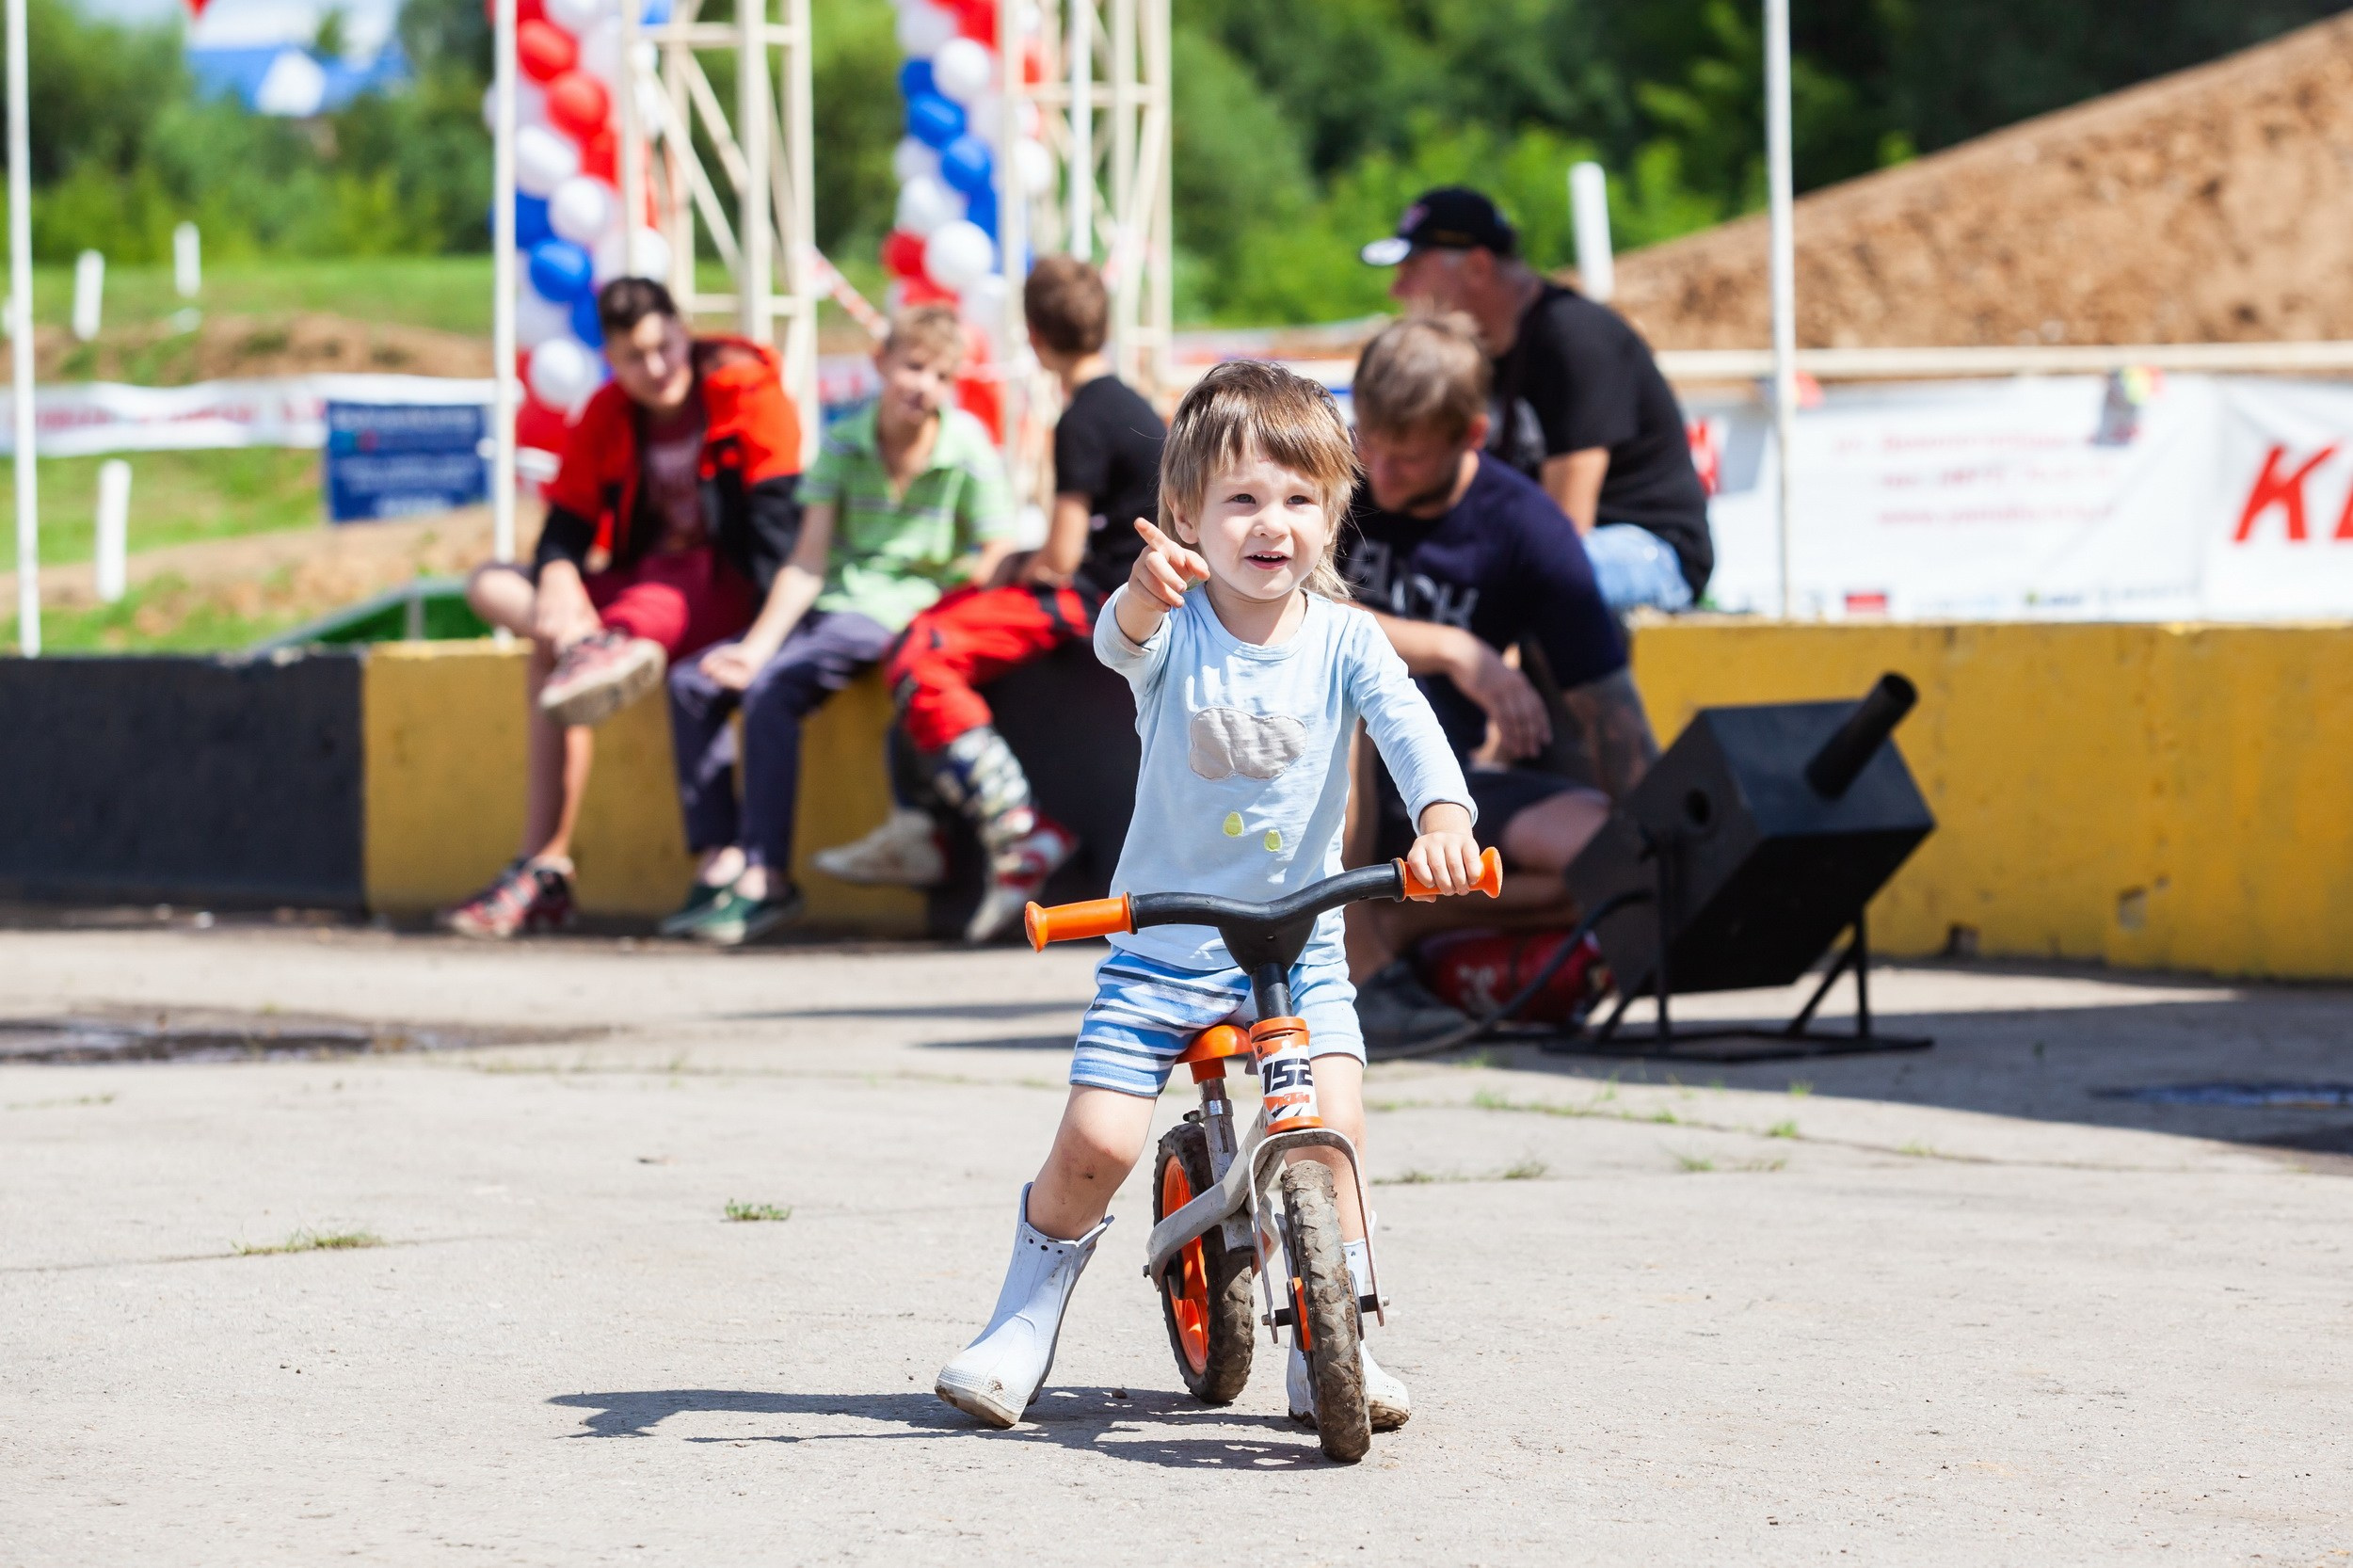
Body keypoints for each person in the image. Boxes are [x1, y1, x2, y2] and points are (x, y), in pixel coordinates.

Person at [934, 360, 1481, 1435]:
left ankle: (1334, 1334)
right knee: (1099, 1138)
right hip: (1164, 943)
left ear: (1333, 514)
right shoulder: (1174, 628)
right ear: (1184, 514)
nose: (1269, 523)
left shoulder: (1344, 639)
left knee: (1333, 1125)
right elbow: (1114, 641)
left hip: (1300, 947)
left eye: (1297, 499)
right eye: (1240, 499)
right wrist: (1144, 593)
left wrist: (1444, 819)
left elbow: (1410, 727)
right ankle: (1021, 1315)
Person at [812, 256, 1167, 942]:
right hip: (1126, 589)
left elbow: (1061, 556)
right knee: (930, 627)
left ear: (1033, 337)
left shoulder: (1083, 416)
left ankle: (1020, 828)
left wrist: (1010, 566)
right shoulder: (1131, 403)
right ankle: (923, 821)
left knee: (923, 649)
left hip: (1098, 598)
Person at [444, 278, 803, 938]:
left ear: (684, 331)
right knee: (493, 584)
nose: (657, 368)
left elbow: (781, 533)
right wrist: (557, 578)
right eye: (635, 358)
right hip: (640, 589)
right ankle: (547, 857)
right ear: (612, 359)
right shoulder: (609, 411)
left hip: (721, 586)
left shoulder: (745, 392)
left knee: (594, 633)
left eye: (665, 346)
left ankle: (543, 857)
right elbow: (566, 528)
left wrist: (776, 632)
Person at [1339, 313, 1661, 1033]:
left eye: (1409, 459)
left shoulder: (1525, 526)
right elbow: (1281, 614)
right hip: (1320, 780)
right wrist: (1457, 650)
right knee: (1347, 689)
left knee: (1622, 860)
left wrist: (1672, 851)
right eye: (1371, 445)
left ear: (1471, 436)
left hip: (1448, 788)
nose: (1379, 474)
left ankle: (1399, 933)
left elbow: (1609, 706)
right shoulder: (1328, 481)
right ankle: (1357, 963)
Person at [658, 304, 1017, 945]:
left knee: (774, 691)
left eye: (939, 375)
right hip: (838, 606)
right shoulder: (845, 442)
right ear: (880, 364)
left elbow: (996, 549)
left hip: (904, 614)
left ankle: (767, 875)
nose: (922, 385)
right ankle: (720, 866)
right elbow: (807, 560)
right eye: (911, 366)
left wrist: (949, 616)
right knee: (695, 682)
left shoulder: (966, 449)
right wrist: (755, 645)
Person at [1363, 186, 1713, 615]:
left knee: (1489, 577)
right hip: (1557, 540)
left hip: (1650, 550)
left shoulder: (1574, 337)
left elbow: (1563, 532)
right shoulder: (1476, 346)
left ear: (1476, 266)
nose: (1397, 290)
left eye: (1412, 267)